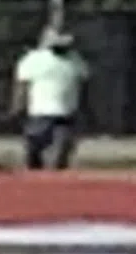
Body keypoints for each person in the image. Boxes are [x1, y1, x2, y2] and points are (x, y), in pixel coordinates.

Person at [13, 24, 87, 171]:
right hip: (38, 115)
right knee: (33, 157)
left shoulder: (76, 60)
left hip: (65, 116)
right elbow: (22, 86)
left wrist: (82, 110)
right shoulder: (33, 60)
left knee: (58, 159)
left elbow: (82, 85)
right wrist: (18, 106)